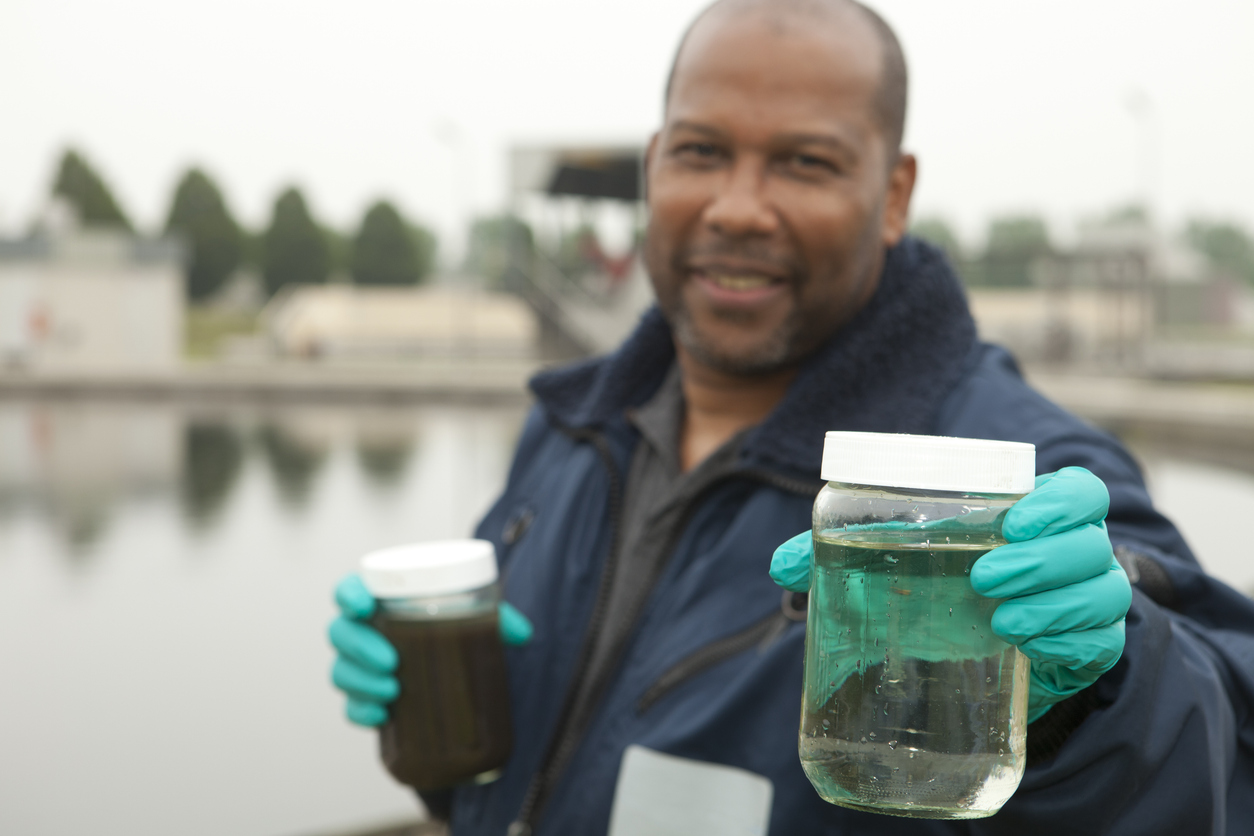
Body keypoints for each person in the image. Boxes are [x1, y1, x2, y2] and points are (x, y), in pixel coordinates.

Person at [328, 1, 1254, 833]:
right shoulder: (572, 426)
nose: (738, 208)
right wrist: (444, 713)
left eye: (803, 163)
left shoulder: (1007, 476)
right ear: (655, 166)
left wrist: (1096, 706)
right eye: (700, 152)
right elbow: (524, 779)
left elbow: (1219, 752)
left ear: (892, 195)